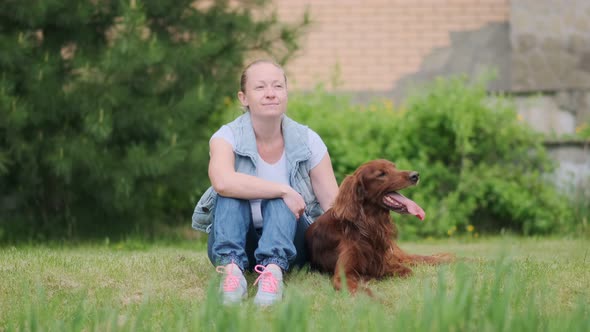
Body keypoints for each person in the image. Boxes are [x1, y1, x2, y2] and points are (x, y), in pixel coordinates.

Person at [191, 59, 339, 306]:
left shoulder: (308, 140)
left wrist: (358, 250)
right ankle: (231, 274)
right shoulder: (226, 136)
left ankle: (273, 274)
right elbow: (222, 182)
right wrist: (282, 189)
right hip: (235, 239)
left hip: (291, 244)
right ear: (243, 97)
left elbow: (333, 207)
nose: (271, 93)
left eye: (278, 86)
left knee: (282, 201)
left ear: (286, 93)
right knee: (231, 192)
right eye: (260, 87)